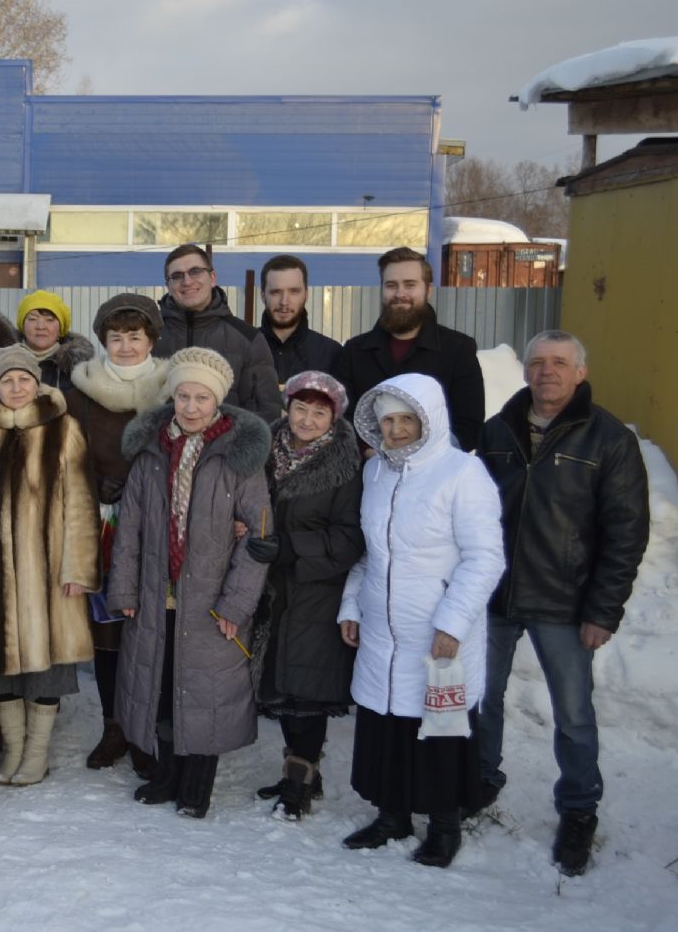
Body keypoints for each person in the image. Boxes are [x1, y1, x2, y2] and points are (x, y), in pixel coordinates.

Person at [476, 330, 650, 877]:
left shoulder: (608, 440)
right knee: (483, 700)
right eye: (537, 362)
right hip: (497, 593)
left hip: (565, 600)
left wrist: (603, 610)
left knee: (573, 714)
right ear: (524, 370)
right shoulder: (497, 430)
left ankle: (578, 809)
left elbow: (626, 532)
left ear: (580, 372)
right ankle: (480, 783)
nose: (546, 371)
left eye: (559, 363)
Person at [337, 374, 505, 867]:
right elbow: (371, 553)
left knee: (442, 731)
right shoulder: (376, 474)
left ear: (428, 419)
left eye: (406, 418)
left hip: (439, 635)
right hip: (385, 633)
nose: (397, 429)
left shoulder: (461, 472)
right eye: (387, 420)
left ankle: (445, 826)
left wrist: (452, 623)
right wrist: (352, 604)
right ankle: (392, 817)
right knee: (388, 724)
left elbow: (485, 557)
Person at [107, 348, 273, 819]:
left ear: (217, 401)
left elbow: (258, 538)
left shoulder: (239, 460)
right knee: (161, 686)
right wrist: (124, 591)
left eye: (202, 397)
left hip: (212, 601)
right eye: (184, 396)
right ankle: (166, 776)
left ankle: (196, 785)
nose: (192, 407)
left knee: (205, 693)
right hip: (157, 597)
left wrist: (235, 607)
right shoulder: (151, 454)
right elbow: (131, 529)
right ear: (172, 397)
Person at [0, 345, 100, 786]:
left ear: (37, 382)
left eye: (24, 379)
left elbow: (81, 503)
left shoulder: (64, 430)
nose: (17, 387)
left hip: (48, 571)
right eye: (7, 380)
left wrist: (78, 569)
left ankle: (37, 754)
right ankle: (14, 751)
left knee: (47, 663)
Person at [63, 293, 172, 773]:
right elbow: (66, 456)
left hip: (160, 526)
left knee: (149, 631)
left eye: (135, 337)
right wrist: (93, 484)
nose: (126, 347)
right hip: (102, 522)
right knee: (109, 631)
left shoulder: (174, 387)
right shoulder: (82, 391)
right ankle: (114, 726)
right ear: (102, 340)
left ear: (151, 339)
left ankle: (147, 728)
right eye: (116, 337)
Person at [254, 370, 364, 820]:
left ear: (334, 416)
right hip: (271, 587)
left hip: (316, 589)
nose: (307, 419)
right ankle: (300, 773)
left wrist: (290, 548)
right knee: (281, 685)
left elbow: (350, 537)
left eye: (319, 412)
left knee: (307, 690)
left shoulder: (345, 463)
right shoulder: (265, 449)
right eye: (301, 408)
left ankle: (298, 782)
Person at [331, 247, 484, 451]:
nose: (400, 294)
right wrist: (370, 452)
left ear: (428, 290)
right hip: (369, 472)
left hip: (434, 475)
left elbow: (468, 425)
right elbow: (341, 418)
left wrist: (423, 459)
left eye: (410, 285)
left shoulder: (458, 349)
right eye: (391, 285)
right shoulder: (355, 351)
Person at [152, 244, 282, 420]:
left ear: (212, 278)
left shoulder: (248, 339)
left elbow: (265, 413)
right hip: (159, 447)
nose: (187, 281)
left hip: (226, 446)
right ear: (168, 285)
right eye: (176, 276)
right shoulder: (148, 335)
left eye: (195, 271)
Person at [259, 255, 342, 385]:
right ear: (263, 296)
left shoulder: (331, 354)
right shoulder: (242, 349)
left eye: (294, 291)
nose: (284, 301)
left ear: (306, 295)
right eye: (276, 292)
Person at [17, 290, 94, 393]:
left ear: (61, 329)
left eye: (49, 320)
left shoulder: (79, 368)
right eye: (32, 319)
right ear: (22, 325)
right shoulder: (3, 360)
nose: (40, 326)